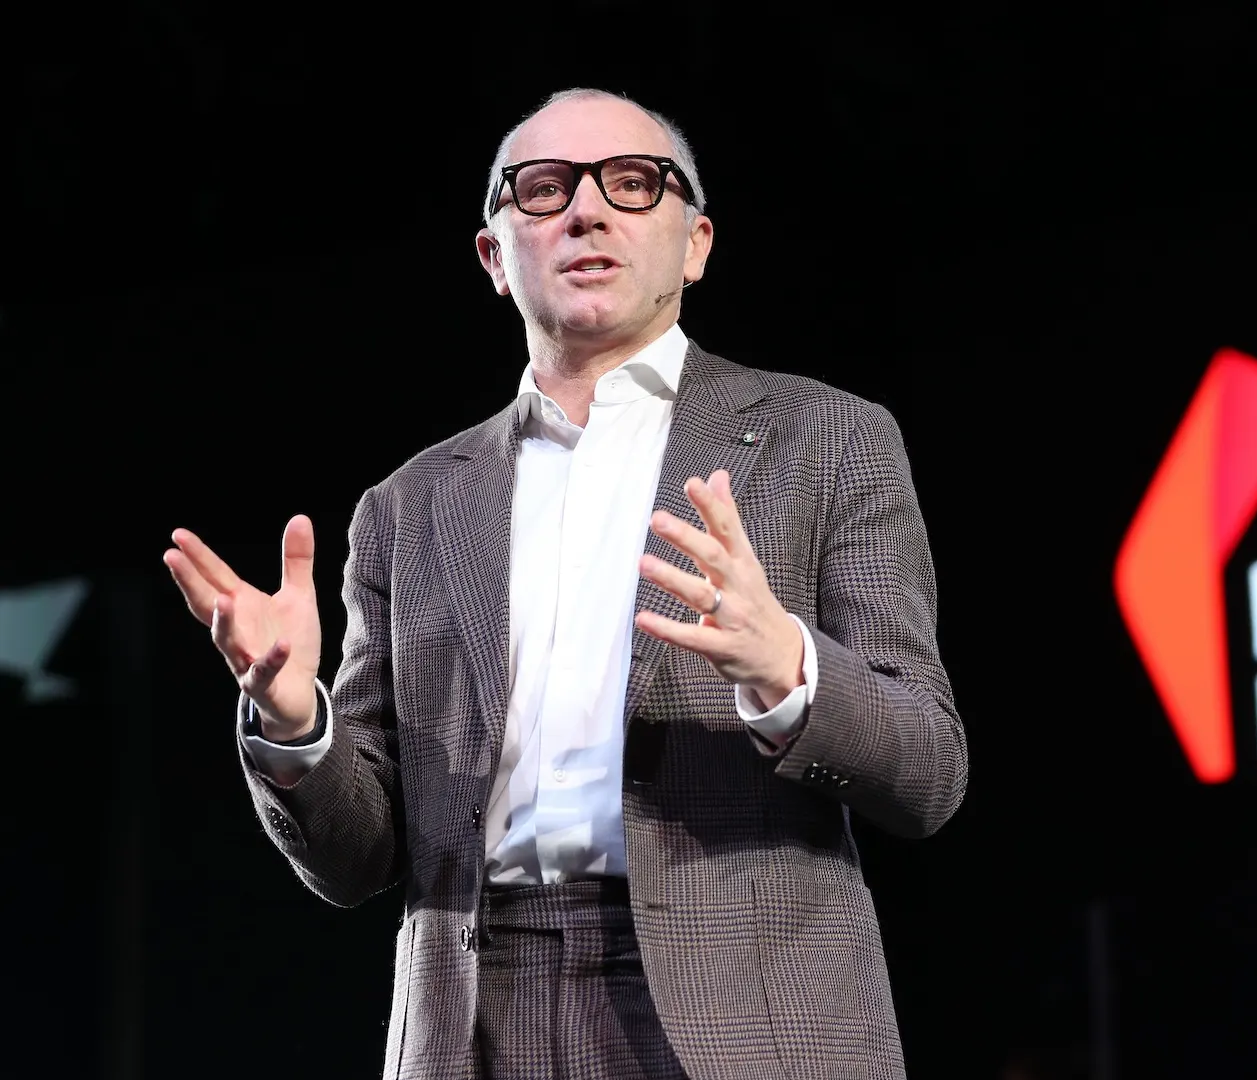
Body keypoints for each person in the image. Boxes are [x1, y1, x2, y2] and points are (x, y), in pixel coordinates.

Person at [161, 86, 968, 1080]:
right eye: (542, 191)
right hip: (473, 1013)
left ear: (697, 242)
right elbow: (355, 857)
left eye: (633, 184)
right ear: (495, 257)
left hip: (743, 1012)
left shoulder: (829, 441)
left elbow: (927, 771)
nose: (587, 211)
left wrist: (787, 667)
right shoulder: (409, 508)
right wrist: (296, 726)